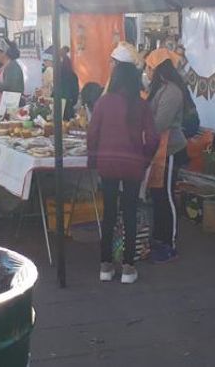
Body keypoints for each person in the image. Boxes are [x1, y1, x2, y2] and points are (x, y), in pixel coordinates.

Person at [88, 61, 159, 284]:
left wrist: (93, 159)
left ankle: (105, 266)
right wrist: (145, 158)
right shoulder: (141, 104)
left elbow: (92, 134)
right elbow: (154, 138)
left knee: (109, 212)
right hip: (132, 164)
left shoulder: (103, 102)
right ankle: (128, 267)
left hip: (107, 163)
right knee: (129, 212)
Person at [144, 50, 190, 263]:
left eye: (150, 68)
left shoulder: (171, 91)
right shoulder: (160, 89)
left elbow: (160, 123)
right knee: (158, 195)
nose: (147, 72)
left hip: (170, 148)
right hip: (159, 148)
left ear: (159, 69)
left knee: (167, 196)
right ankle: (159, 237)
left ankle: (170, 243)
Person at [0, 37, 24, 110]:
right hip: (3, 107)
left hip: (10, 108)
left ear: (4, 52)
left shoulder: (12, 66)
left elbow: (8, 87)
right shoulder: (6, 66)